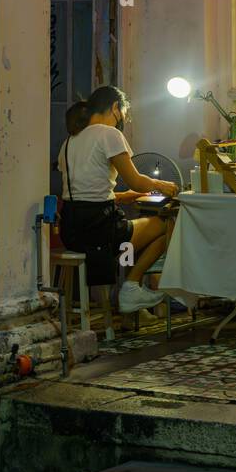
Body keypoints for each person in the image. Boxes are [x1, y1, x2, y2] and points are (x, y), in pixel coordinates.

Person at [57, 86, 179, 314]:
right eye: (121, 115)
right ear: (115, 107)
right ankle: (131, 285)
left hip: (72, 230)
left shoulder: (69, 141)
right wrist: (163, 186)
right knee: (167, 225)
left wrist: (122, 197)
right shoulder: (108, 134)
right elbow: (137, 181)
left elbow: (84, 189)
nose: (120, 122)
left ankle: (128, 295)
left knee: (131, 239)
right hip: (100, 229)